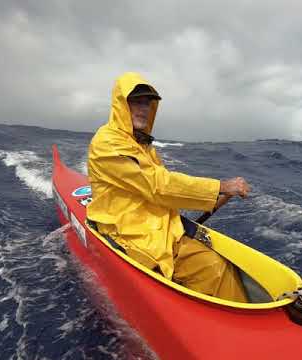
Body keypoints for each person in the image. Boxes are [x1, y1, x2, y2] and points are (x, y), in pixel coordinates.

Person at [86, 72, 251, 302]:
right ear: (120, 104)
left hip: (163, 229)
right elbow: (158, 185)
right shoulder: (107, 143)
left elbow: (163, 187)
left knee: (216, 267)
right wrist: (220, 187)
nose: (143, 108)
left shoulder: (142, 144)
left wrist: (210, 194)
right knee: (210, 269)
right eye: (136, 101)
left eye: (147, 103)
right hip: (128, 233)